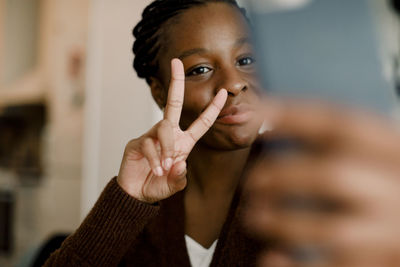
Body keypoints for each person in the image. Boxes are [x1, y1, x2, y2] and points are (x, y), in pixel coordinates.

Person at [44, 0, 265, 266]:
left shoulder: (307, 176)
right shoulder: (141, 207)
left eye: (246, 60)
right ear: (159, 91)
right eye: (201, 69)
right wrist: (126, 202)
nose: (235, 82)